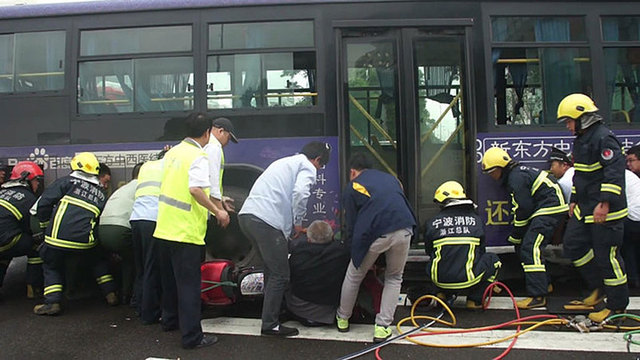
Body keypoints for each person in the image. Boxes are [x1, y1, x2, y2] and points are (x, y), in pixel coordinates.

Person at [238, 141, 331, 337]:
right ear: (318, 159)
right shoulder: (307, 166)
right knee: (281, 274)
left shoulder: (284, 162)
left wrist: (288, 230)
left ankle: (272, 315)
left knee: (271, 271)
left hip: (247, 217)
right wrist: (298, 222)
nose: (319, 169)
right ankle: (270, 324)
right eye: (321, 166)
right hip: (265, 221)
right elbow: (300, 193)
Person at [153, 113, 229, 349]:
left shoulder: (173, 152)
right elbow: (195, 190)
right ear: (207, 133)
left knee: (170, 282)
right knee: (189, 287)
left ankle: (170, 321)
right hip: (186, 232)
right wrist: (218, 211)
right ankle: (192, 337)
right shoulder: (199, 155)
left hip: (164, 229)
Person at [557, 93, 629, 323]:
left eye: (569, 121)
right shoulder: (581, 139)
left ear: (582, 118)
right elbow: (582, 174)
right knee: (573, 245)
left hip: (605, 211)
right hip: (586, 208)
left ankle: (617, 307)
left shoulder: (604, 139)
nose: (568, 126)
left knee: (608, 258)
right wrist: (574, 199)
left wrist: (605, 203)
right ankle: (597, 289)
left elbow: (614, 173)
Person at [336, 152, 416, 343]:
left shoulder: (353, 186)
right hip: (404, 228)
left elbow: (352, 225)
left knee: (354, 275)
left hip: (375, 233)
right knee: (395, 277)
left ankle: (343, 318)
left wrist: (351, 251)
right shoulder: (392, 179)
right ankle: (382, 327)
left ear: (353, 171)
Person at [482, 147, 568, 309]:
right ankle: (544, 283)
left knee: (530, 248)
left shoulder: (516, 178)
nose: (492, 177)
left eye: (492, 172)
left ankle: (538, 296)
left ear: (500, 167)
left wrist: (516, 234)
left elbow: (523, 208)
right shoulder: (516, 174)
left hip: (549, 209)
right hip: (546, 208)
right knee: (525, 247)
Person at [34, 152, 118, 315]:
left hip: (58, 240)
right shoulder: (101, 194)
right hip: (86, 242)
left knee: (51, 264)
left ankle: (52, 302)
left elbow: (43, 204)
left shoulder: (65, 182)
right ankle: (110, 293)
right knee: (97, 260)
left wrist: (45, 228)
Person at [424, 181, 501, 309]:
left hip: (440, 280)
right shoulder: (476, 220)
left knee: (433, 262)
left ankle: (441, 294)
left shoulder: (432, 223)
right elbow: (481, 251)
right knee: (493, 260)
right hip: (469, 279)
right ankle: (474, 300)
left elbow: (429, 251)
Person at [285, 220, 350, 326]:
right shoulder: (342, 253)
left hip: (299, 309)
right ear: (332, 235)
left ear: (309, 239)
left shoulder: (298, 253)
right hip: (329, 312)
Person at [130, 149, 167, 325]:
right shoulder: (169, 167)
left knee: (142, 267)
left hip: (136, 219)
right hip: (153, 219)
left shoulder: (146, 166)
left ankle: (139, 305)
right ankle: (150, 314)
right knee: (153, 267)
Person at [99, 162, 143, 305]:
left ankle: (124, 294)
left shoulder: (124, 188)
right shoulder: (143, 187)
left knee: (128, 261)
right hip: (120, 229)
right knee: (140, 261)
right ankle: (135, 298)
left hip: (103, 230)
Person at [0, 161, 44, 299]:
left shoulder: (2, 192)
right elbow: (31, 227)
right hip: (6, 240)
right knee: (36, 244)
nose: (37, 184)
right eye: (36, 180)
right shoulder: (28, 198)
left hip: (3, 240)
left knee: (3, 255)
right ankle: (34, 287)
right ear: (26, 179)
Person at [203, 117, 238, 237]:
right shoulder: (214, 147)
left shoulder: (206, 143)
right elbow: (212, 180)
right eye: (228, 138)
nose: (227, 143)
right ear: (220, 131)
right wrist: (219, 210)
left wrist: (220, 198)